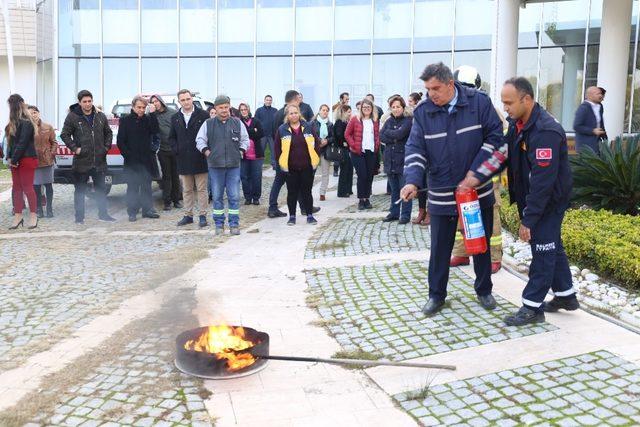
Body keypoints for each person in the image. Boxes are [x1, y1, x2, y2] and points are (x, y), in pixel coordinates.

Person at [400, 62, 505, 317]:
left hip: (476, 191)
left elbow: (496, 141)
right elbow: (415, 149)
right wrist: (412, 180)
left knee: (479, 242)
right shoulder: (423, 112)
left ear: (450, 84)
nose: (431, 94)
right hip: (442, 192)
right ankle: (436, 295)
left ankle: (484, 290)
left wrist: (475, 175)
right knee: (440, 248)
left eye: (435, 88)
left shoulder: (479, 103)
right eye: (427, 88)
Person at [501, 77, 578, 326]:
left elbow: (543, 182)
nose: (505, 108)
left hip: (549, 201)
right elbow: (508, 155)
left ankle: (532, 307)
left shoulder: (545, 131)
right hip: (535, 198)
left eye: (509, 103)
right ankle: (566, 296)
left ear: (527, 99)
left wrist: (529, 219)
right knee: (552, 246)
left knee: (542, 251)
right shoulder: (518, 124)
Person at [450, 65, 505, 274]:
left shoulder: (489, 108)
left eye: (468, 87)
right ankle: (462, 252)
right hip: (460, 174)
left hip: (486, 174)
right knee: (460, 212)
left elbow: (501, 142)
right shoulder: (451, 110)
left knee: (491, 214)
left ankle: (493, 256)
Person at [196, 95, 249, 235]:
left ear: (229, 107)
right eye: (221, 108)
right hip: (215, 167)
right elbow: (199, 140)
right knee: (217, 196)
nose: (224, 110)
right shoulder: (208, 123)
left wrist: (241, 151)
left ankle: (234, 224)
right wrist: (207, 152)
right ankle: (219, 225)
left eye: (226, 107)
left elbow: (245, 140)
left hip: (233, 166)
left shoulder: (237, 123)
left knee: (234, 196)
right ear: (216, 108)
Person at [60, 90, 115, 224]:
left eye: (90, 101)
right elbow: (64, 134)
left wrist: (105, 148)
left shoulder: (100, 116)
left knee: (101, 189)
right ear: (79, 102)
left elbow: (108, 133)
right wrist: (75, 148)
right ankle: (79, 218)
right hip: (82, 161)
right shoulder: (73, 117)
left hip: (99, 161)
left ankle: (103, 215)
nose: (88, 104)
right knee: (79, 191)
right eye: (84, 101)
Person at [268, 90, 320, 217]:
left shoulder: (277, 113)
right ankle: (273, 207)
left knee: (289, 182)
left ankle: (302, 207)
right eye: (299, 99)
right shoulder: (284, 114)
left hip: (288, 157)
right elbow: (278, 137)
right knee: (281, 181)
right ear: (295, 99)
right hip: (286, 157)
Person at [169, 89, 210, 228]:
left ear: (192, 99)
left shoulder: (203, 115)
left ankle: (203, 215)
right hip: (183, 159)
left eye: (188, 99)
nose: (186, 102)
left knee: (202, 189)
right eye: (183, 100)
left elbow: (208, 135)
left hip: (199, 157)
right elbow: (172, 138)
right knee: (186, 190)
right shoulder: (175, 118)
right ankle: (188, 215)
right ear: (179, 101)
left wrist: (205, 151)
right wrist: (176, 150)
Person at [117, 95, 161, 222]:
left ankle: (147, 210)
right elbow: (121, 141)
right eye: (139, 107)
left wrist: (152, 114)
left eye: (143, 107)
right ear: (133, 107)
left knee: (147, 186)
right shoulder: (125, 121)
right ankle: (132, 212)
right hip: (132, 161)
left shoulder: (148, 120)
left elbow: (155, 130)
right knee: (132, 187)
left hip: (146, 160)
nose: (141, 110)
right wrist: (128, 155)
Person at [5, 94, 38, 229]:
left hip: (27, 158)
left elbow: (23, 142)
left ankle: (33, 215)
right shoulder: (11, 124)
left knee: (28, 188)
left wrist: (14, 159)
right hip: (16, 159)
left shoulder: (27, 122)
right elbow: (10, 144)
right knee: (17, 189)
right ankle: (18, 216)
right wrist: (9, 157)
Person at [380, 95, 412, 224]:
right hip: (390, 159)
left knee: (404, 188)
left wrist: (392, 135)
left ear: (402, 107)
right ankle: (393, 213)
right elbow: (381, 136)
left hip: (402, 159)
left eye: (398, 106)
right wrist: (394, 137)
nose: (395, 109)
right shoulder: (388, 121)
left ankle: (405, 215)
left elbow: (401, 133)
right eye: (393, 107)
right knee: (394, 190)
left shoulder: (408, 120)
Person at [345, 98, 380, 210]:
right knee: (362, 175)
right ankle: (361, 199)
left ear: (371, 109)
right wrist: (354, 145)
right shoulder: (355, 119)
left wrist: (377, 144)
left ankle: (367, 198)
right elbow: (347, 134)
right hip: (358, 152)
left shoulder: (375, 120)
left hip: (371, 151)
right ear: (361, 108)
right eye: (364, 107)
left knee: (369, 176)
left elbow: (377, 134)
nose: (366, 109)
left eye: (368, 107)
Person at [150, 94, 182, 211]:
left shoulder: (173, 113)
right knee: (166, 176)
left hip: (174, 149)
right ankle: (167, 202)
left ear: (161, 101)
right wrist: (152, 114)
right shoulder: (152, 116)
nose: (155, 104)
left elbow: (179, 129)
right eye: (152, 102)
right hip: (162, 150)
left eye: (156, 101)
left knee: (175, 176)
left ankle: (177, 200)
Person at [28, 105, 57, 218]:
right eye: (30, 113)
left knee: (49, 185)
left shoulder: (48, 127)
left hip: (47, 160)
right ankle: (39, 209)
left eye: (34, 112)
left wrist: (51, 152)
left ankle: (49, 209)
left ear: (38, 113)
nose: (33, 115)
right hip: (34, 161)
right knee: (36, 187)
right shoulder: (26, 128)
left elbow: (54, 142)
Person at [238, 103, 264, 205]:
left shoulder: (256, 121)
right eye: (242, 110)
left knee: (256, 177)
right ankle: (248, 197)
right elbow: (239, 135)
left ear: (248, 110)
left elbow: (261, 133)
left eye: (245, 109)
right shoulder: (238, 122)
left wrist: (247, 133)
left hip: (256, 155)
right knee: (244, 177)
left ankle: (256, 197)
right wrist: (253, 131)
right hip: (243, 155)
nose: (244, 111)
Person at [311, 104, 335, 201]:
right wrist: (320, 140)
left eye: (326, 110)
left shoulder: (330, 124)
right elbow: (311, 135)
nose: (325, 112)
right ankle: (308, 191)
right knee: (311, 172)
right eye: (323, 110)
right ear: (319, 111)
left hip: (326, 150)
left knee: (325, 173)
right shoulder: (313, 123)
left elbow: (333, 137)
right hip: (315, 150)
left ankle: (322, 192)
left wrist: (327, 141)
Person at [573, 86, 607, 154]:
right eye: (598, 94)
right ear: (590, 95)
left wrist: (605, 138)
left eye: (600, 93)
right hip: (586, 148)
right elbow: (576, 126)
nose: (600, 95)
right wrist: (593, 131)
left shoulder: (600, 106)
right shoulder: (583, 108)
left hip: (597, 145)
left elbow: (600, 124)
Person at [333, 105, 354, 198]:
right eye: (348, 112)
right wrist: (345, 142)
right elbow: (339, 135)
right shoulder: (339, 122)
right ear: (343, 112)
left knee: (349, 169)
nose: (350, 114)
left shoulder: (346, 122)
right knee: (344, 170)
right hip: (342, 150)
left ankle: (348, 189)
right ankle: (342, 191)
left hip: (347, 149)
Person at [255, 95, 278, 169]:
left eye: (270, 100)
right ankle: (259, 165)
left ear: (271, 101)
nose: (268, 101)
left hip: (272, 134)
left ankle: (274, 165)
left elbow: (277, 122)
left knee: (274, 151)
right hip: (262, 135)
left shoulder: (275, 110)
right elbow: (255, 122)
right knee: (261, 151)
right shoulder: (259, 110)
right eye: (267, 100)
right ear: (264, 101)